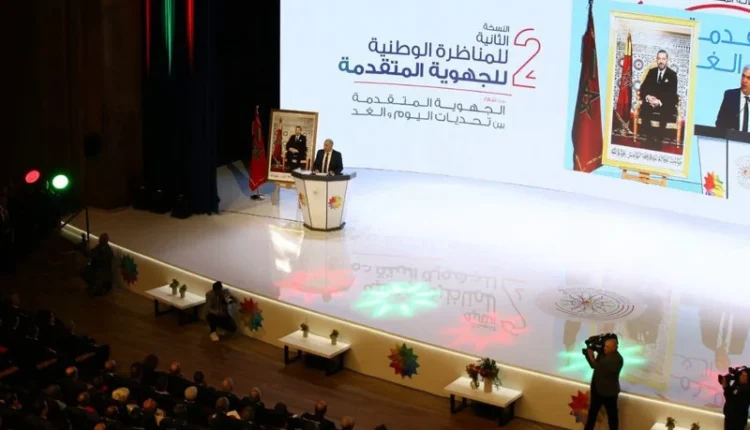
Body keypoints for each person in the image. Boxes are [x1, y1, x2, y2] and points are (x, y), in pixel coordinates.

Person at [639, 50, 678, 146]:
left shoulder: (672, 75)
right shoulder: (651, 72)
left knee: (666, 110)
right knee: (644, 108)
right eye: (659, 58)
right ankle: (649, 138)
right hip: (651, 102)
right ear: (656, 60)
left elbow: (672, 94)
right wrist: (648, 97)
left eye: (663, 59)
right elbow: (643, 88)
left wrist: (659, 102)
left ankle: (659, 140)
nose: (661, 61)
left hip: (664, 103)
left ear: (667, 60)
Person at [584, 337, 623, 430]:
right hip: (597, 390)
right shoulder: (604, 354)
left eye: (608, 347)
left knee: (612, 417)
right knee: (592, 415)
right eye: (605, 346)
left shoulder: (616, 359)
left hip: (609, 394)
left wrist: (589, 354)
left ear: (615, 348)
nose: (604, 348)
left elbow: (594, 365)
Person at [716, 65, 750, 132]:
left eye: (748, 78)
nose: (744, 80)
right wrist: (729, 132)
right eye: (743, 76)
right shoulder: (730, 96)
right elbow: (719, 122)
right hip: (733, 138)